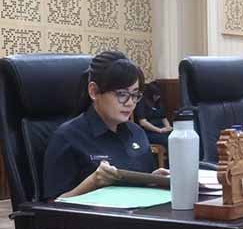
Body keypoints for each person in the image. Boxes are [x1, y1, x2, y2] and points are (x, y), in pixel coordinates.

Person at [43, 51, 168, 199]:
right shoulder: (67, 137)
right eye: (121, 94)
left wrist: (152, 180)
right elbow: (53, 205)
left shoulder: (137, 133)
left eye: (135, 95)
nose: (130, 103)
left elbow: (136, 190)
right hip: (93, 214)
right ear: (94, 92)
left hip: (137, 211)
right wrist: (92, 182)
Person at [135, 81, 172, 149]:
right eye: (156, 95)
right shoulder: (141, 102)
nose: (158, 97)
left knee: (174, 135)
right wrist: (159, 130)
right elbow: (143, 122)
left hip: (161, 128)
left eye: (159, 95)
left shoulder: (158, 102)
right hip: (148, 131)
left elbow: (163, 118)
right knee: (165, 140)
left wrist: (168, 127)